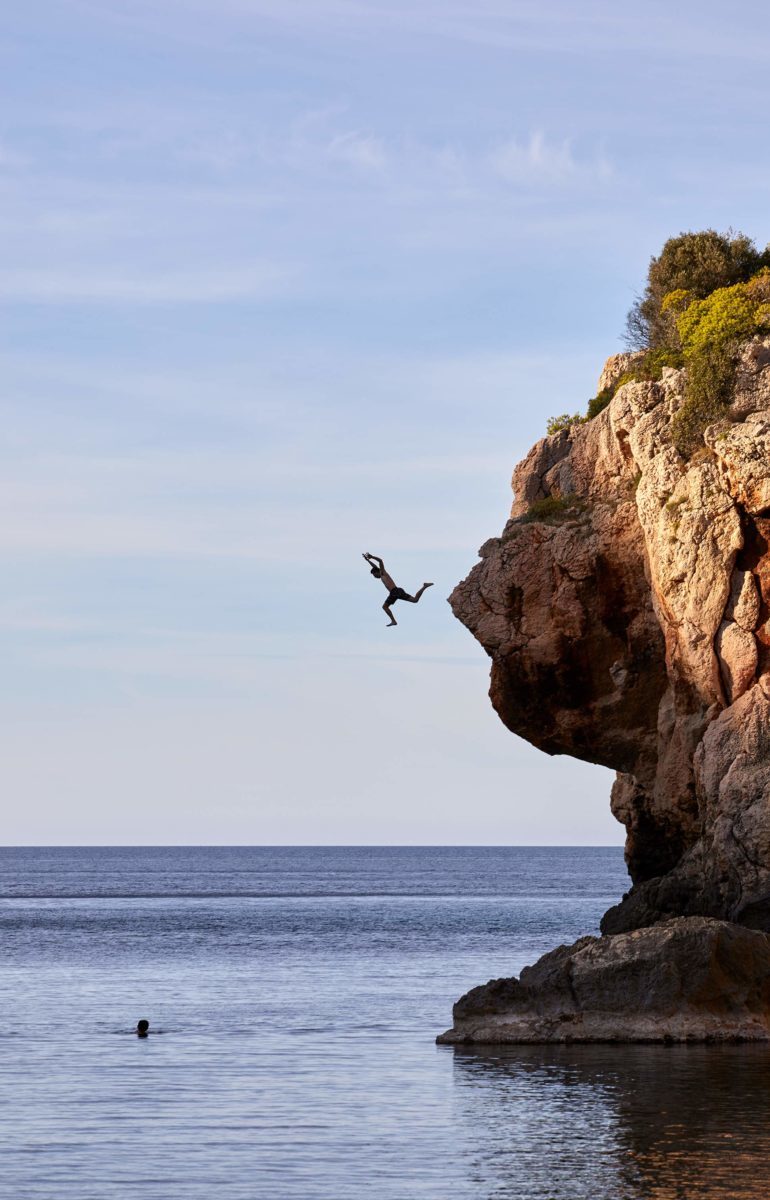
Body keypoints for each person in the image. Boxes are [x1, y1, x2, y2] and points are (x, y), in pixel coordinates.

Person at [362, 553, 433, 627]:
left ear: (377, 572)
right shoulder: (381, 573)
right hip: (398, 591)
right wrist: (368, 561)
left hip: (394, 592)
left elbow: (380, 561)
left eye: (374, 575)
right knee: (415, 600)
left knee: (385, 607)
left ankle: (393, 621)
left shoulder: (382, 573)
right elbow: (375, 566)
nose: (374, 577)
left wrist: (372, 557)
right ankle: (424, 586)